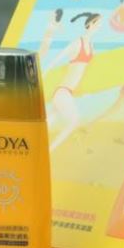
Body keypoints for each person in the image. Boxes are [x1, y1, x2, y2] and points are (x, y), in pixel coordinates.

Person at [46, 11, 101, 150]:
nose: (99, 26)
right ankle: (49, 149)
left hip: (68, 92)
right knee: (74, 121)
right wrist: (44, 73)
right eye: (97, 23)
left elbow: (89, 71)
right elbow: (56, 59)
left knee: (49, 121)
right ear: (90, 24)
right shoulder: (77, 43)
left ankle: (39, 146)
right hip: (62, 91)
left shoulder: (92, 46)